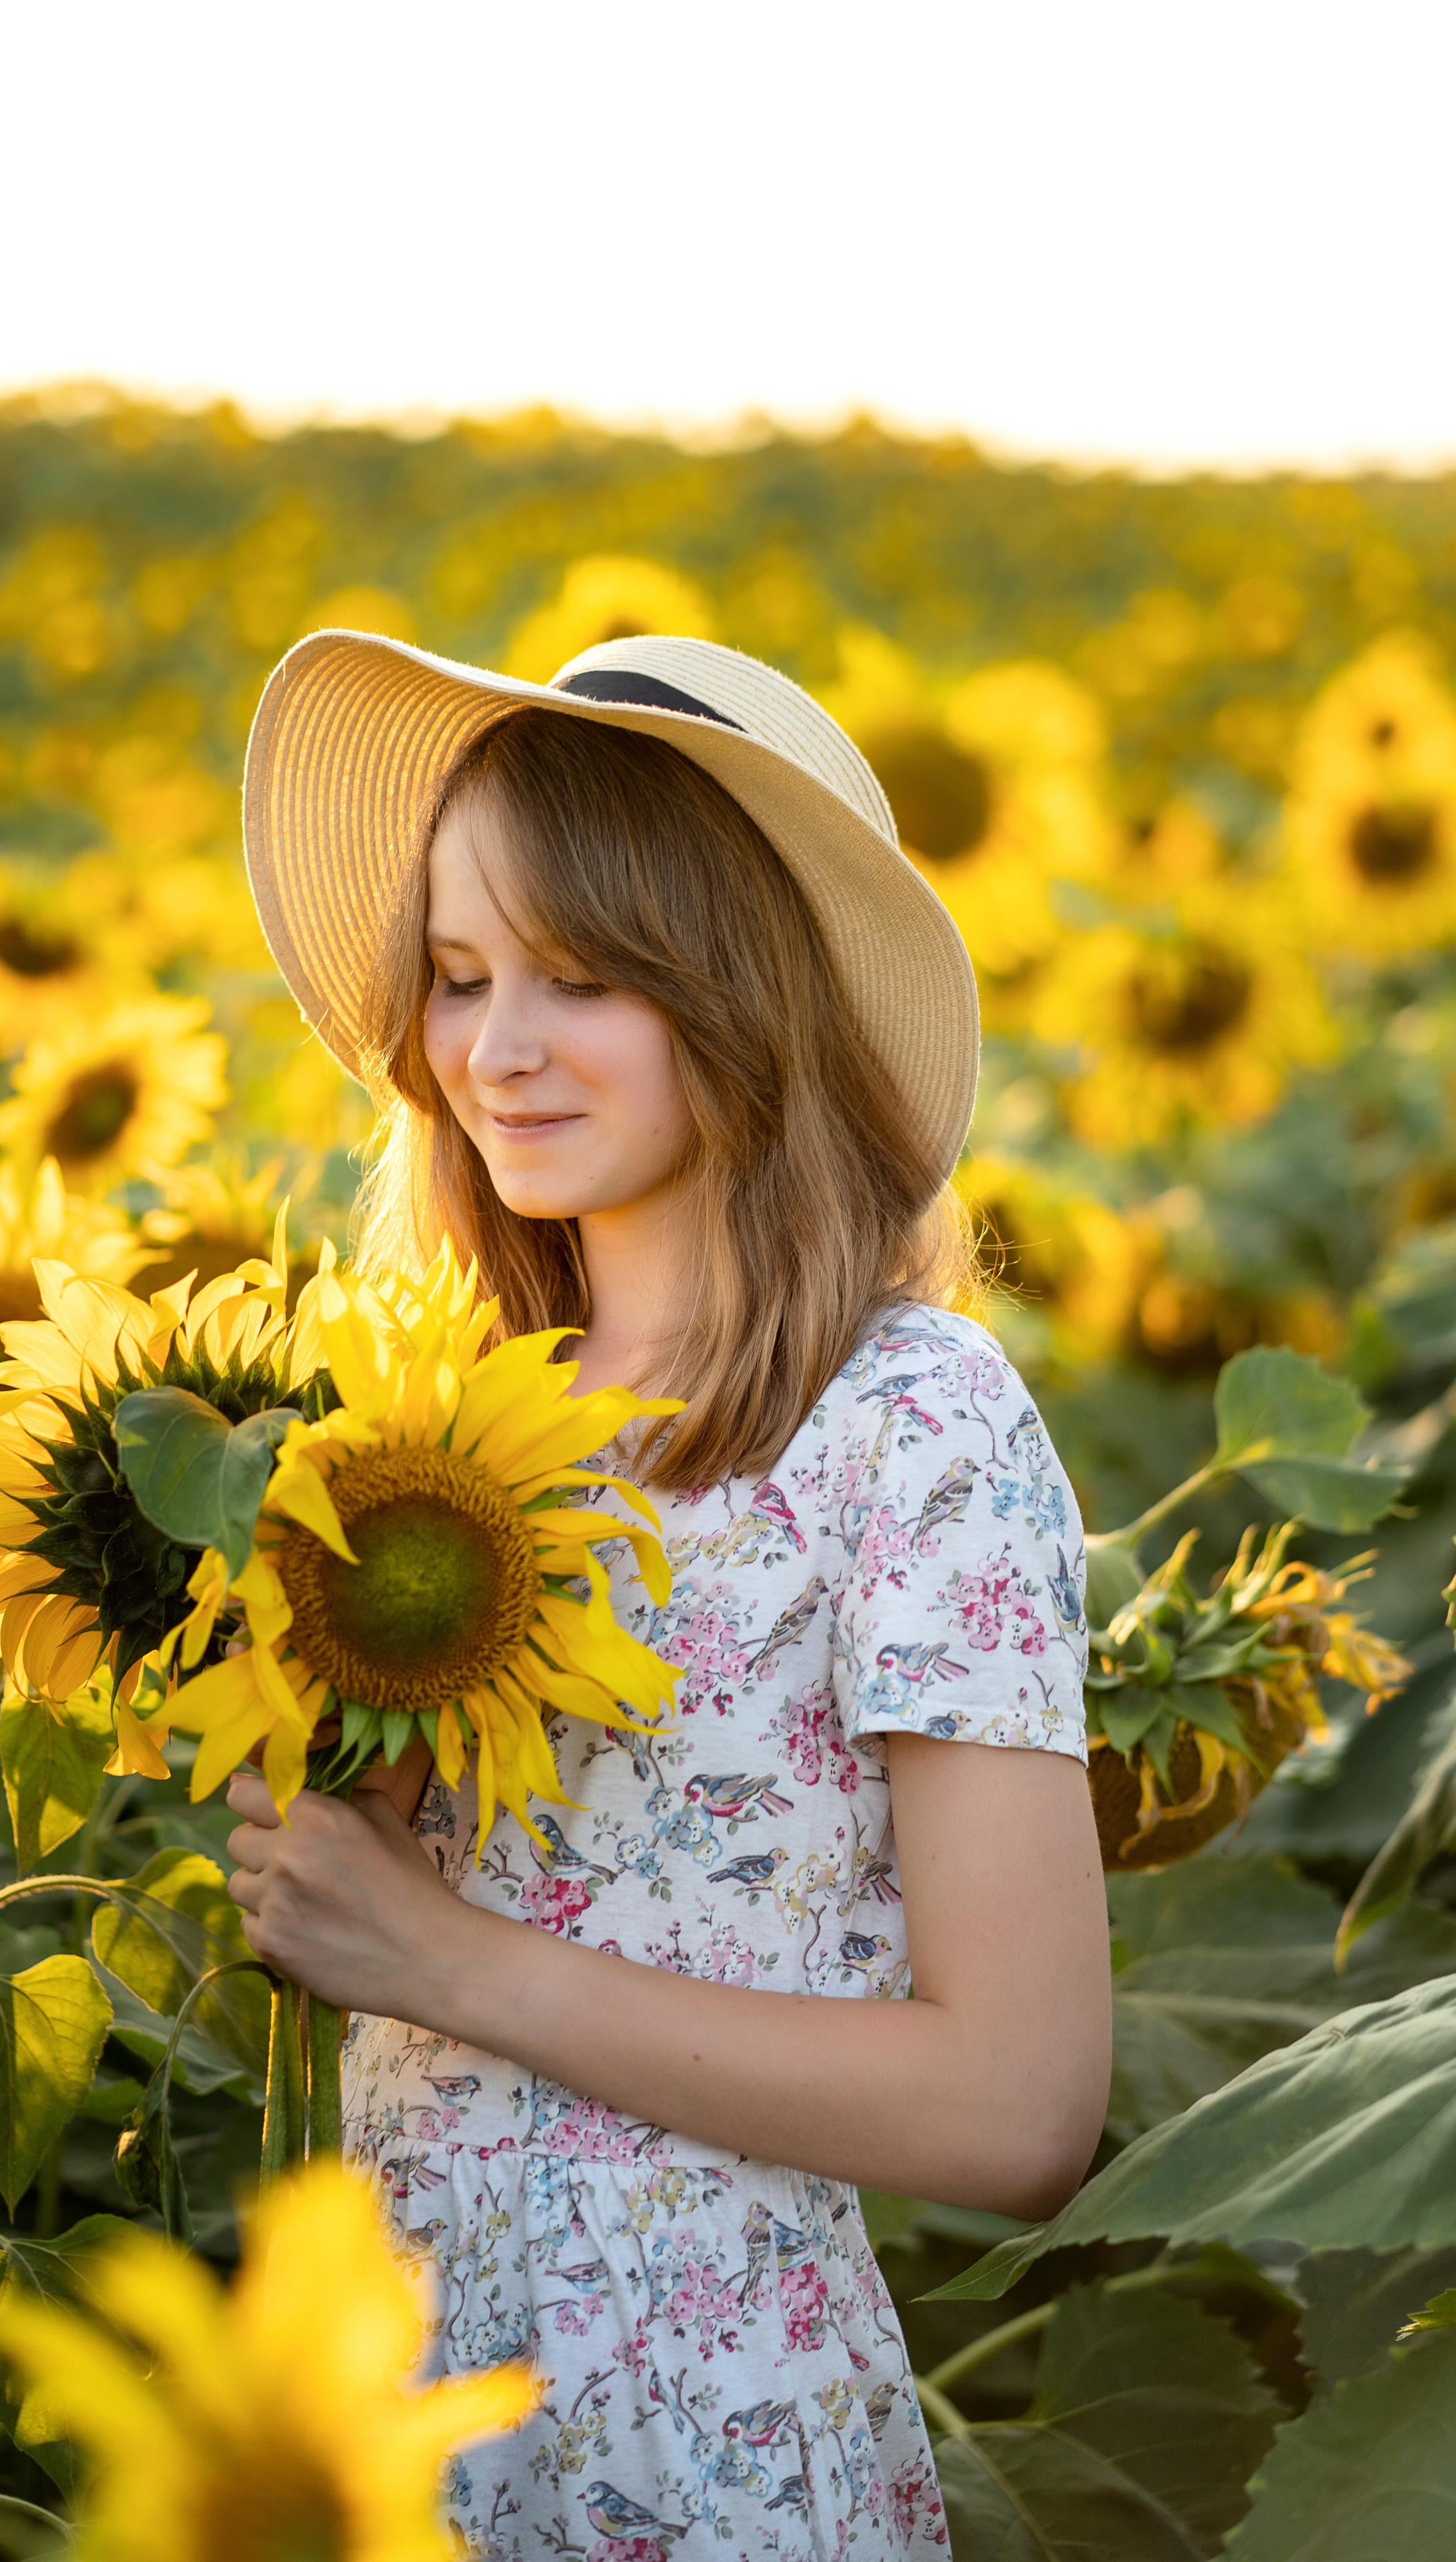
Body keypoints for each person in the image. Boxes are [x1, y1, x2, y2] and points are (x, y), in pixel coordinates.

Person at [223, 631, 1113, 2559]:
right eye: (457, 980)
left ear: (745, 999)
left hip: (705, 2443)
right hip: (394, 2424)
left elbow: (1021, 2105)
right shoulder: (436, 1424)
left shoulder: (907, 1422)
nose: (495, 1052)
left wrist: (441, 1961)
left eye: (587, 976)